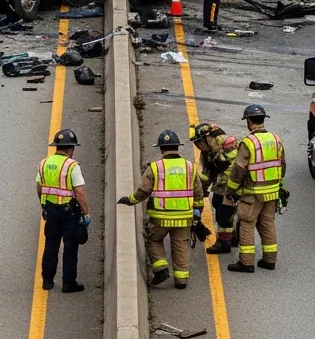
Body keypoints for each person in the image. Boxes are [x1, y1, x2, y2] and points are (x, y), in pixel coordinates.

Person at [118, 130, 204, 288]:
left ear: (161, 149)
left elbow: (142, 192)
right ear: (177, 147)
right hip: (184, 217)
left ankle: (161, 269)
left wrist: (129, 200)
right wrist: (198, 213)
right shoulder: (189, 167)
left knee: (153, 240)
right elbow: (198, 193)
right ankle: (181, 280)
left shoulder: (155, 167)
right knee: (181, 245)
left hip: (160, 217)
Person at [224, 104, 284, 272]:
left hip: (253, 193)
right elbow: (282, 165)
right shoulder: (276, 139)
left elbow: (238, 170)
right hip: (272, 192)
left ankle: (246, 262)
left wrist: (230, 190)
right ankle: (270, 260)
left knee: (247, 223)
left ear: (249, 121)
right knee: (267, 223)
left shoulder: (248, 143)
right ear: (263, 120)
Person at [36, 128, 90, 293]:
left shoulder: (44, 163)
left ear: (57, 147)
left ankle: (47, 280)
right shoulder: (72, 166)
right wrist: (86, 213)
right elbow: (79, 193)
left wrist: (43, 206)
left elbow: (39, 187)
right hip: (69, 212)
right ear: (70, 148)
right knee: (70, 248)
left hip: (51, 210)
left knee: (51, 245)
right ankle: (68, 283)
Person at [190, 123, 238, 254]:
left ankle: (224, 243)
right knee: (217, 202)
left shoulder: (228, 143)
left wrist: (230, 191)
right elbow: (205, 175)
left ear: (207, 137)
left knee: (224, 212)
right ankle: (232, 236)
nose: (198, 145)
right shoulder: (206, 153)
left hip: (233, 185)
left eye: (199, 141)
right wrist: (200, 193)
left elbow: (232, 169)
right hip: (221, 185)